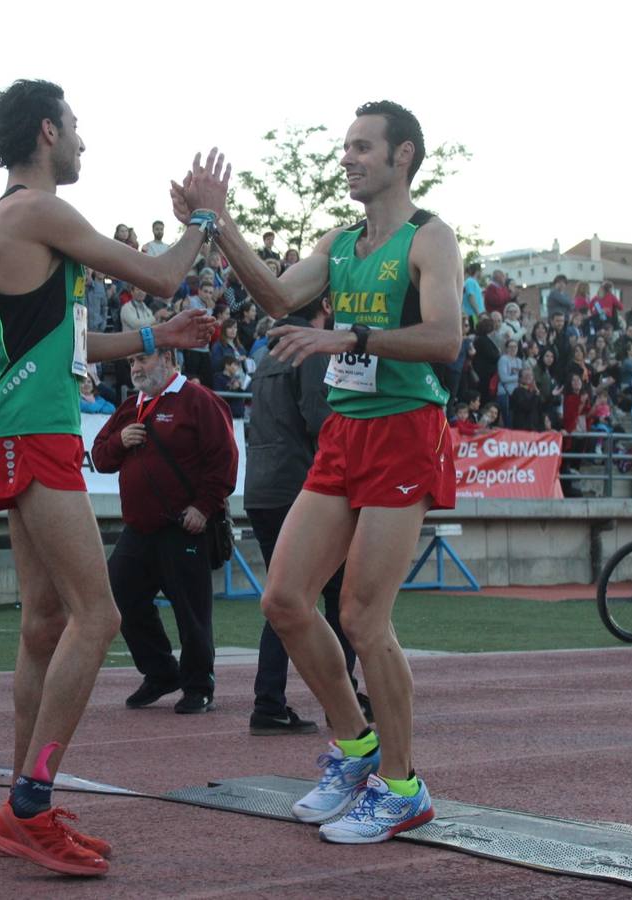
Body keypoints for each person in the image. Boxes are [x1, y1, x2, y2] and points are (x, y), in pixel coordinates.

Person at [0, 79, 225, 876]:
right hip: (34, 433)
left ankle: (22, 799)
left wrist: (160, 334)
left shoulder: (9, 218)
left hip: (13, 429)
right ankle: (30, 804)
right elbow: (157, 273)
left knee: (46, 624)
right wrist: (205, 221)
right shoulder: (38, 210)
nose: (83, 143)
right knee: (98, 617)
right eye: (75, 129)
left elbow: (70, 346)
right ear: (48, 131)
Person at [198, 100, 457, 844]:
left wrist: (355, 334)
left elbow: (444, 337)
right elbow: (279, 295)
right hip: (345, 432)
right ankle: (355, 747)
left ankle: (403, 788)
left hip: (406, 433)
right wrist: (218, 225)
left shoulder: (430, 239)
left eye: (363, 148)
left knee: (364, 620)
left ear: (402, 156)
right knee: (283, 598)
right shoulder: (339, 240)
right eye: (345, 148)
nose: (348, 158)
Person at [241, 295, 368, 734]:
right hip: (299, 484)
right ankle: (341, 700)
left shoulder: (266, 355)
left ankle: (271, 700)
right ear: (326, 308)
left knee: (285, 597)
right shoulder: (310, 349)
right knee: (334, 595)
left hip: (261, 484)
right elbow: (321, 418)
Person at [91, 346, 237, 713]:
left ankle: (199, 685)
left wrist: (204, 508)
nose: (136, 368)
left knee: (191, 611)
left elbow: (225, 460)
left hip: (182, 527)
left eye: (143, 360)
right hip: (139, 528)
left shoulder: (200, 400)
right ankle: (160, 672)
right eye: (131, 362)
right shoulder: (130, 407)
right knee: (119, 595)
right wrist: (119, 442)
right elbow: (100, 457)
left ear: (169, 359)